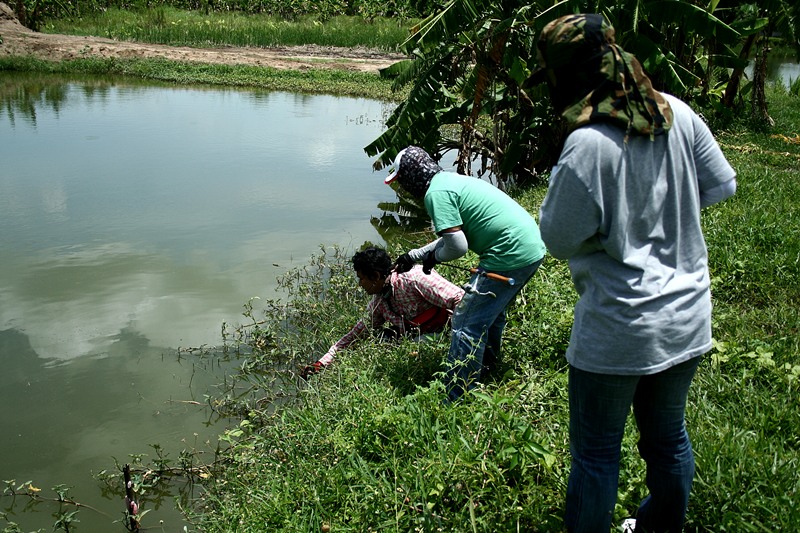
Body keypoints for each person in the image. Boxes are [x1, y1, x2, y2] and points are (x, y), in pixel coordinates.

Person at [533, 14, 737, 533]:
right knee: (668, 440)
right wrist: (663, 219)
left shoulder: (589, 144)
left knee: (597, 456)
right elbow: (721, 185)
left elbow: (556, 238)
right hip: (686, 316)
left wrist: (618, 234)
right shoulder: (680, 114)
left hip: (618, 328)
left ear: (571, 76)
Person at [385, 146, 547, 400]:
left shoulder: (435, 194)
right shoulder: (448, 181)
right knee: (490, 315)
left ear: (411, 176)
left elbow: (457, 247)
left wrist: (433, 258)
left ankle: (458, 395)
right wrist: (415, 256)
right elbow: (452, 237)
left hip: (508, 254)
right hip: (529, 248)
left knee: (465, 322)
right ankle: (488, 368)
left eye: (402, 181)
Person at [301, 247, 463, 378]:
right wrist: (321, 364)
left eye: (362, 278)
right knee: (383, 339)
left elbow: (459, 299)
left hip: (450, 331)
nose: (360, 284)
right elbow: (353, 337)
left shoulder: (414, 278)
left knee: (415, 344)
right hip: (422, 335)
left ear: (376, 276)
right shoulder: (379, 303)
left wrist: (461, 340)